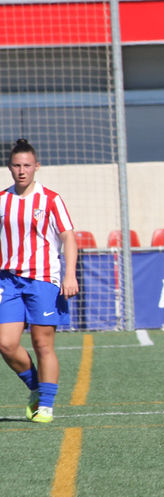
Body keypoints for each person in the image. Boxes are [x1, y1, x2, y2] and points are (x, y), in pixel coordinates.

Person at [0, 138, 79, 424]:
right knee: (6, 343)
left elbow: (68, 236)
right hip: (8, 279)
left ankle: (46, 404)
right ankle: (36, 387)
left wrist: (70, 274)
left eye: (27, 165)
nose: (22, 171)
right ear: (9, 167)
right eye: (17, 165)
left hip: (43, 278)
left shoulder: (50, 199)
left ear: (37, 167)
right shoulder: (2, 200)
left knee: (42, 342)